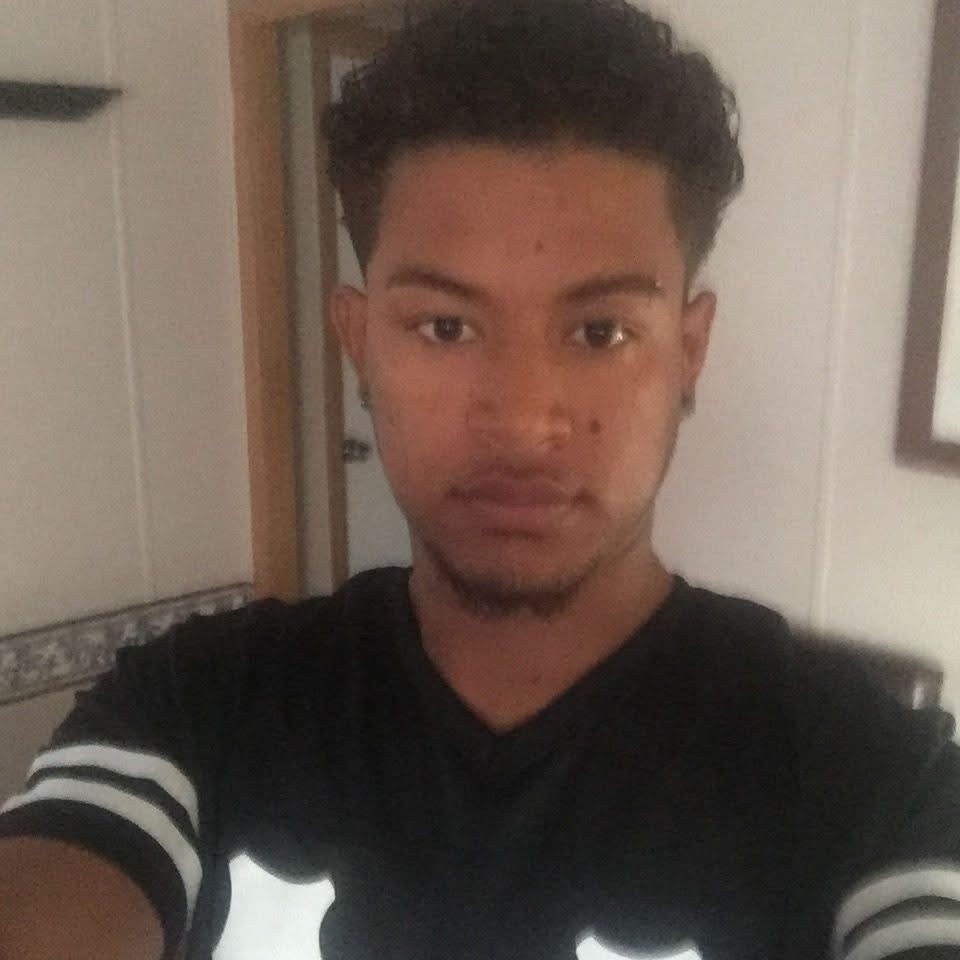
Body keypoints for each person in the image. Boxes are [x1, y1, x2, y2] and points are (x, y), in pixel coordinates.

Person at [1, 0, 959, 958]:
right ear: (359, 342)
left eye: (600, 332)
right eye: (446, 327)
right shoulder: (195, 708)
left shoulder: (874, 782)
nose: (523, 421)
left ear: (689, 351)